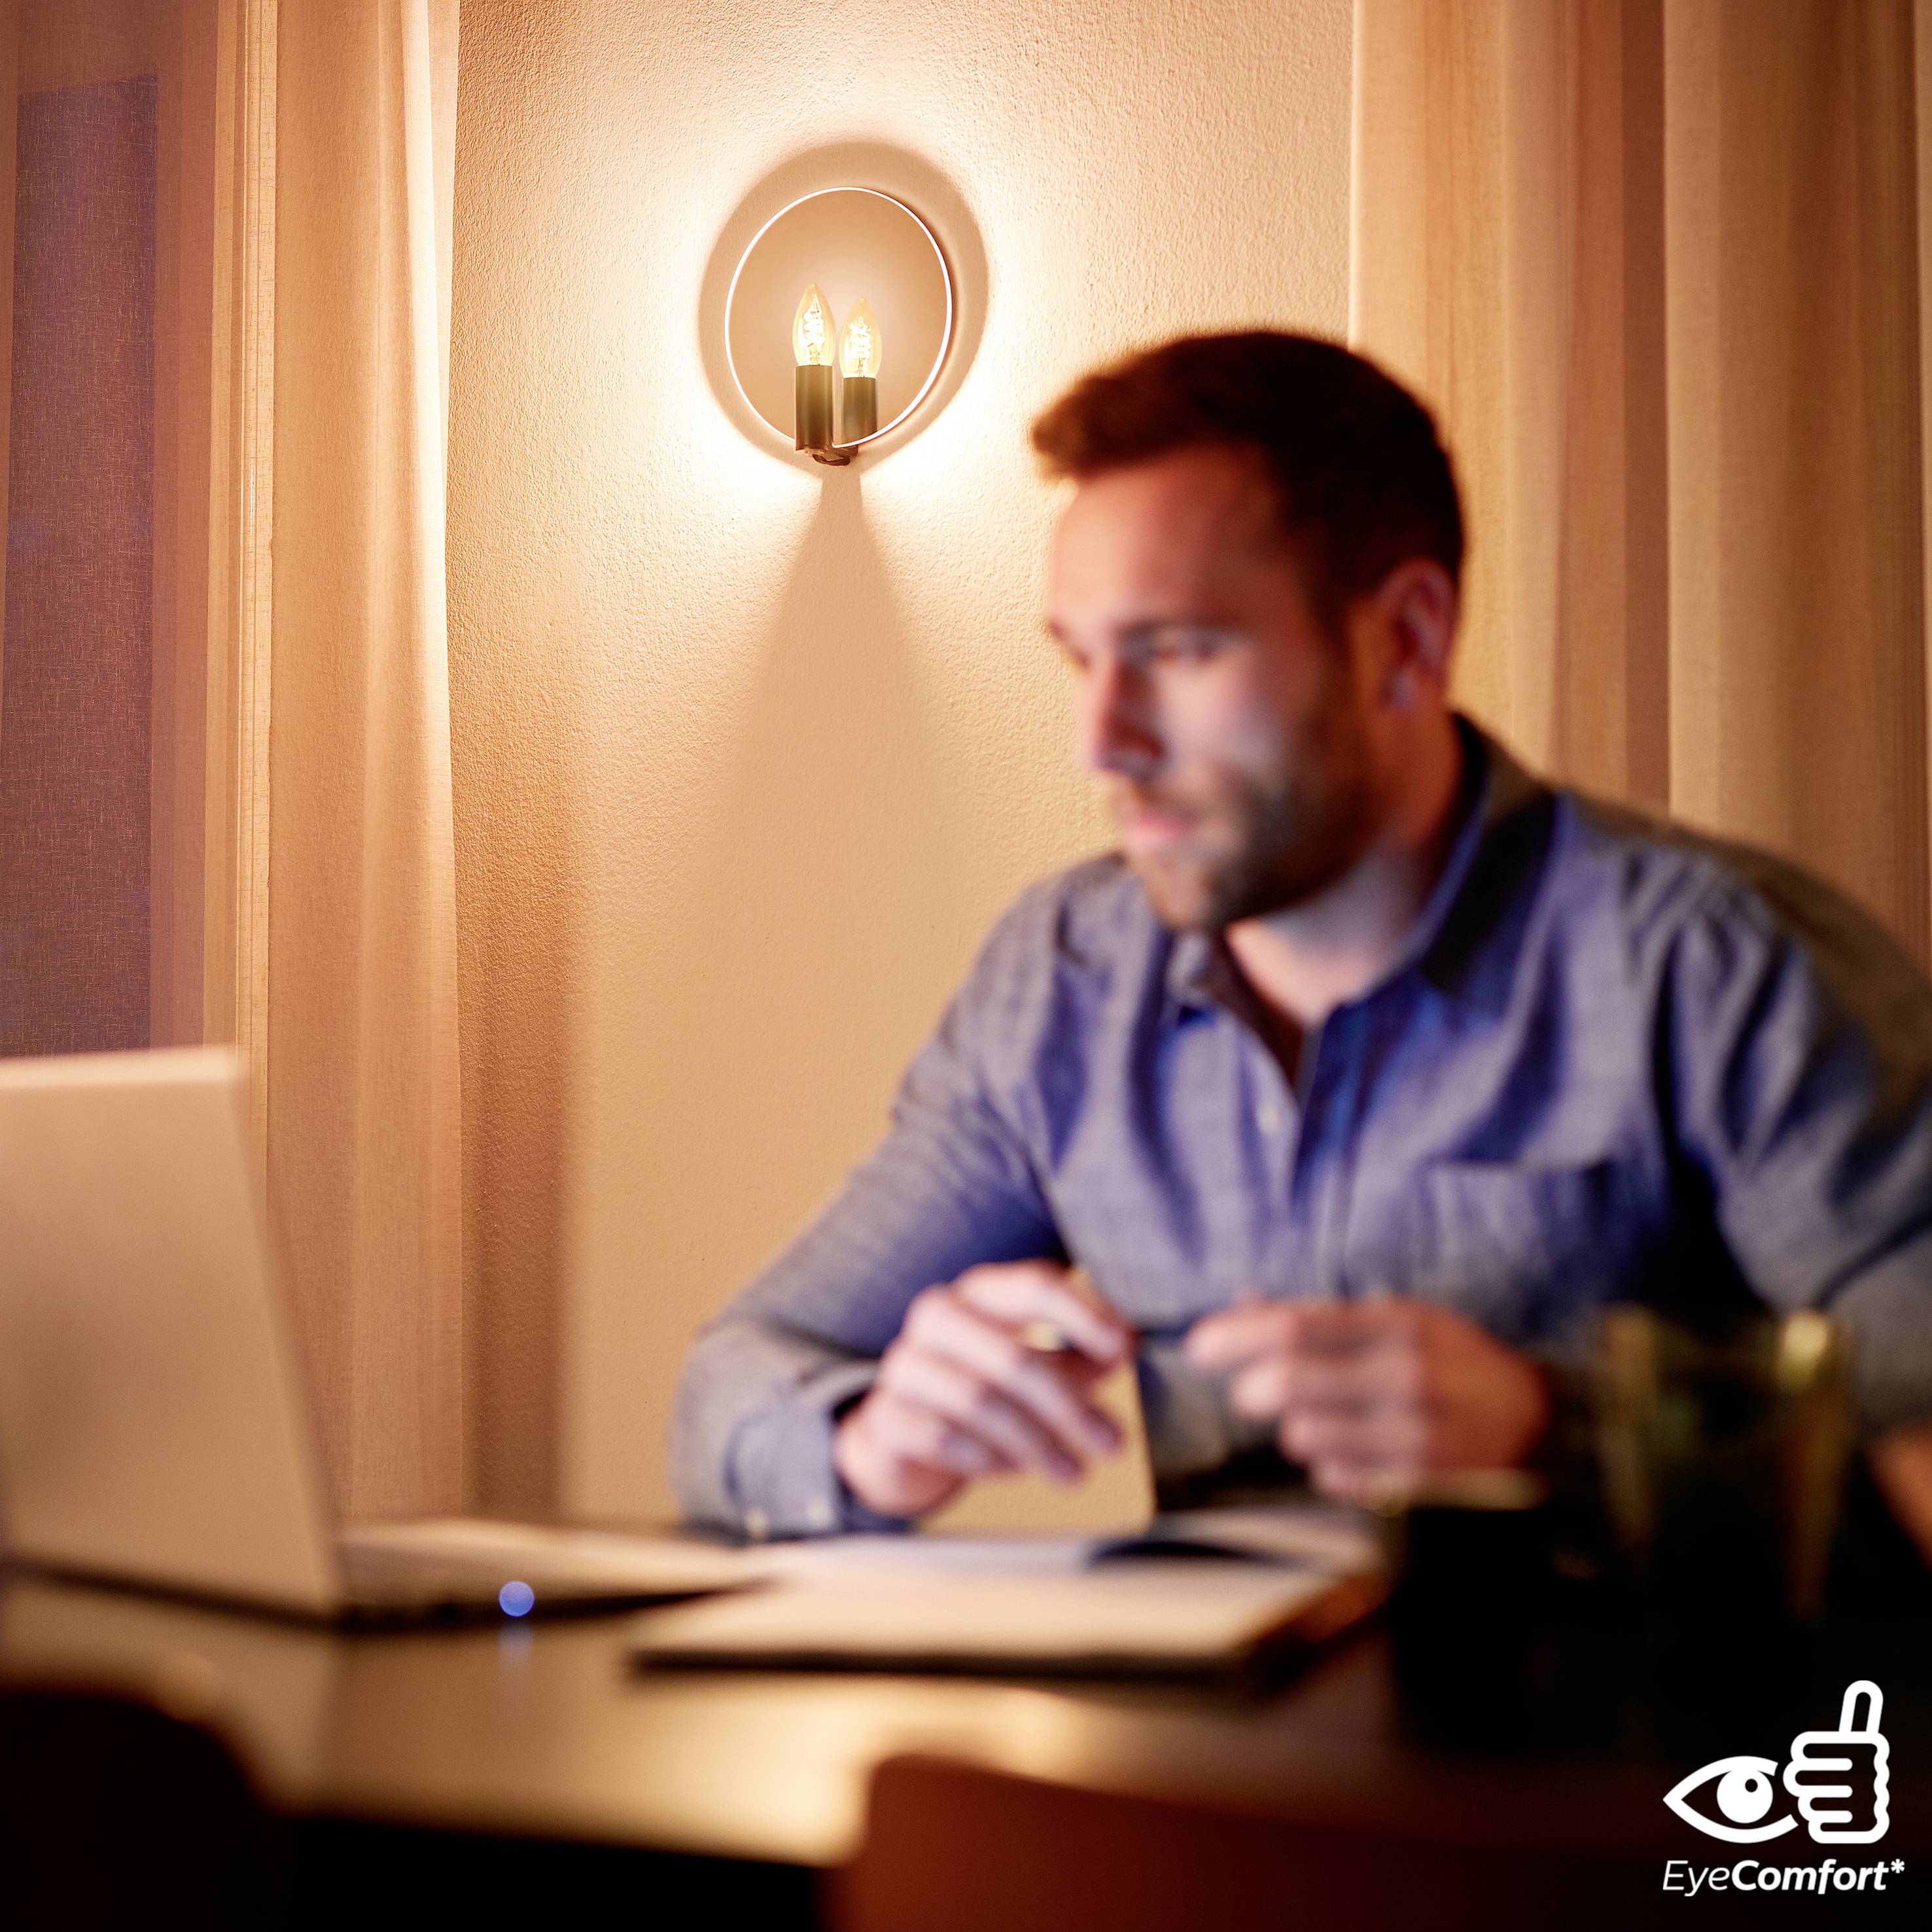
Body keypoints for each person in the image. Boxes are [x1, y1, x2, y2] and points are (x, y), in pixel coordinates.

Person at [671, 330, 1932, 1553]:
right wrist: (871, 1440)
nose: (1101, 741)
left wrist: (1555, 1431)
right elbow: (733, 1381)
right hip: (1204, 1700)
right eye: (1082, 657)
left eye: (1177, 649)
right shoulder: (1060, 984)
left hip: (1636, 1704)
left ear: (1405, 640)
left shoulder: (1719, 970)